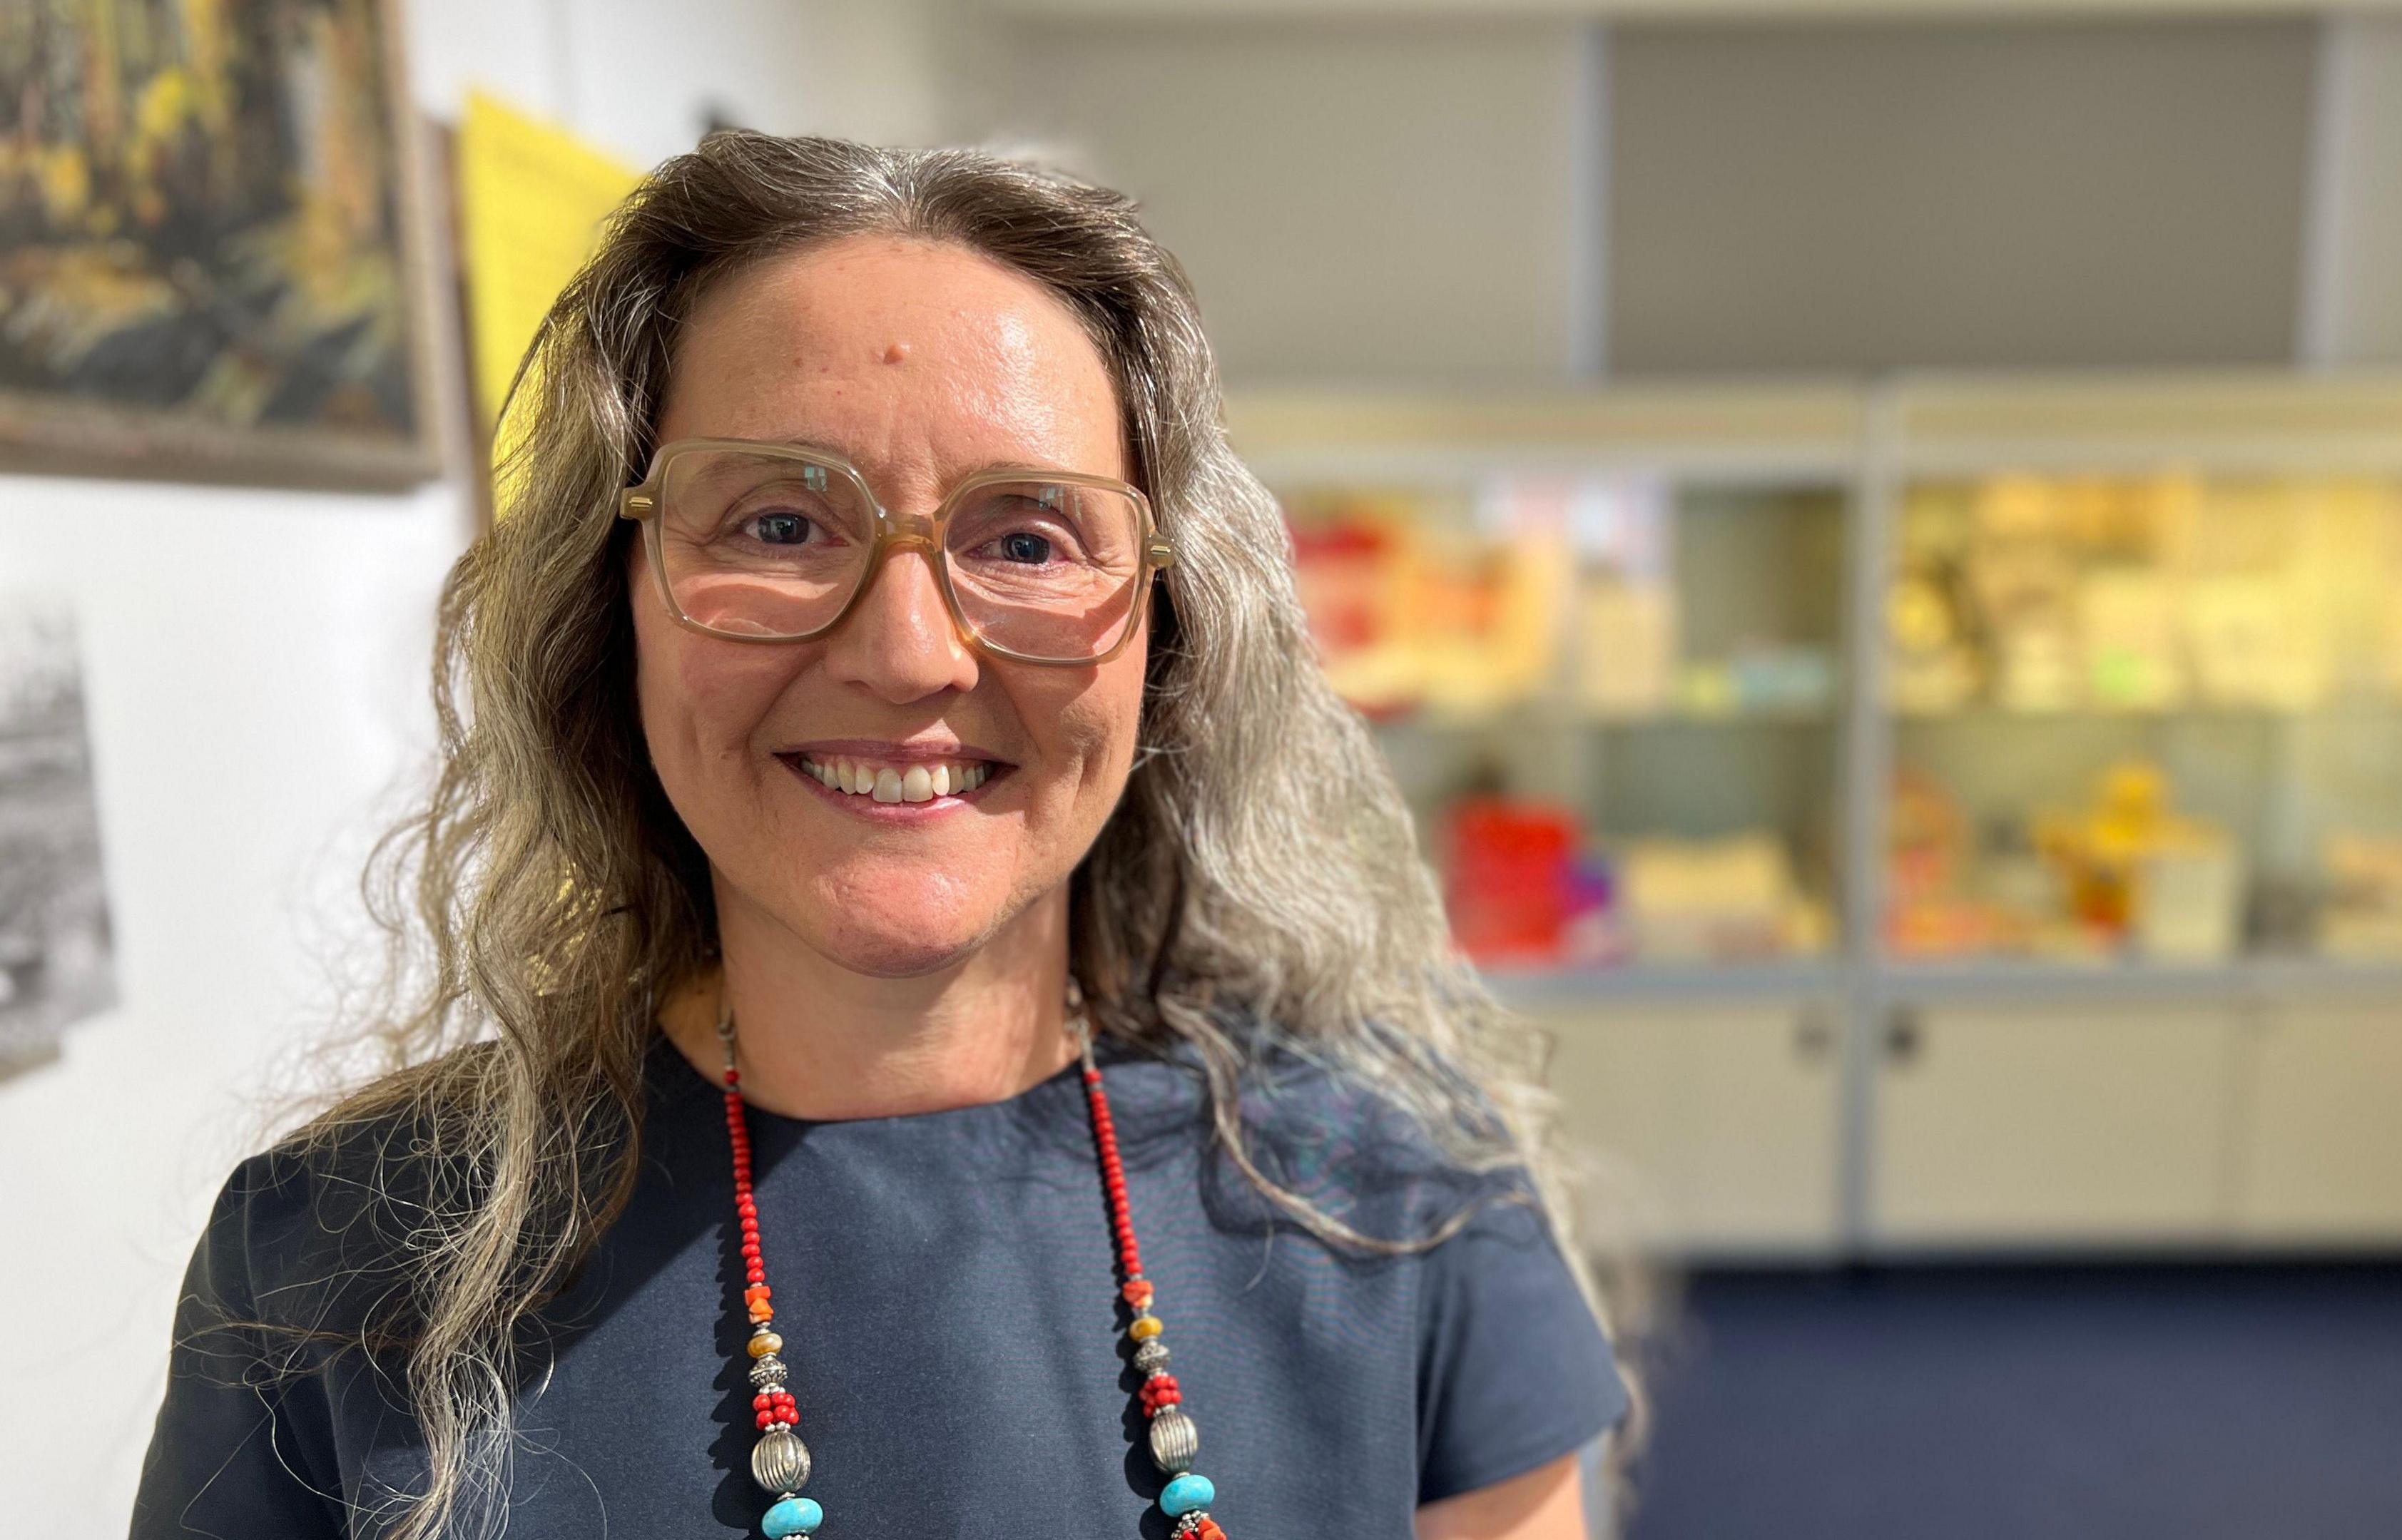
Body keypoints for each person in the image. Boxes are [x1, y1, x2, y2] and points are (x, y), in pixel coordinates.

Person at [127, 135, 1626, 1540]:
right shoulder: (338, 1270)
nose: (909, 653)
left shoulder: (1394, 1194)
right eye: (780, 523)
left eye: (1028, 537)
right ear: (611, 610)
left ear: (1170, 632)